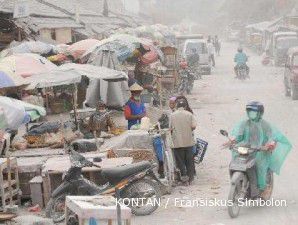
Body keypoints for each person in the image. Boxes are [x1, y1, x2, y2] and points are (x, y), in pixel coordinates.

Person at [223, 101, 292, 198]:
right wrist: (233, 140)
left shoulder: (265, 125)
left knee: (259, 166)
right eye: (249, 111)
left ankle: (262, 188)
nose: (251, 113)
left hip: (261, 151)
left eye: (254, 112)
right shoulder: (244, 124)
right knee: (235, 162)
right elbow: (239, 137)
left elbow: (272, 136)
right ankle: (241, 183)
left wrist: (271, 143)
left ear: (260, 113)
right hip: (247, 149)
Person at [170, 98, 197, 185]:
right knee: (189, 160)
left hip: (177, 142)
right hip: (188, 141)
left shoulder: (172, 115)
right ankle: (190, 178)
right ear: (185, 106)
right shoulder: (189, 114)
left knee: (180, 161)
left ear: (177, 106)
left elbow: (170, 128)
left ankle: (184, 177)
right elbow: (193, 126)